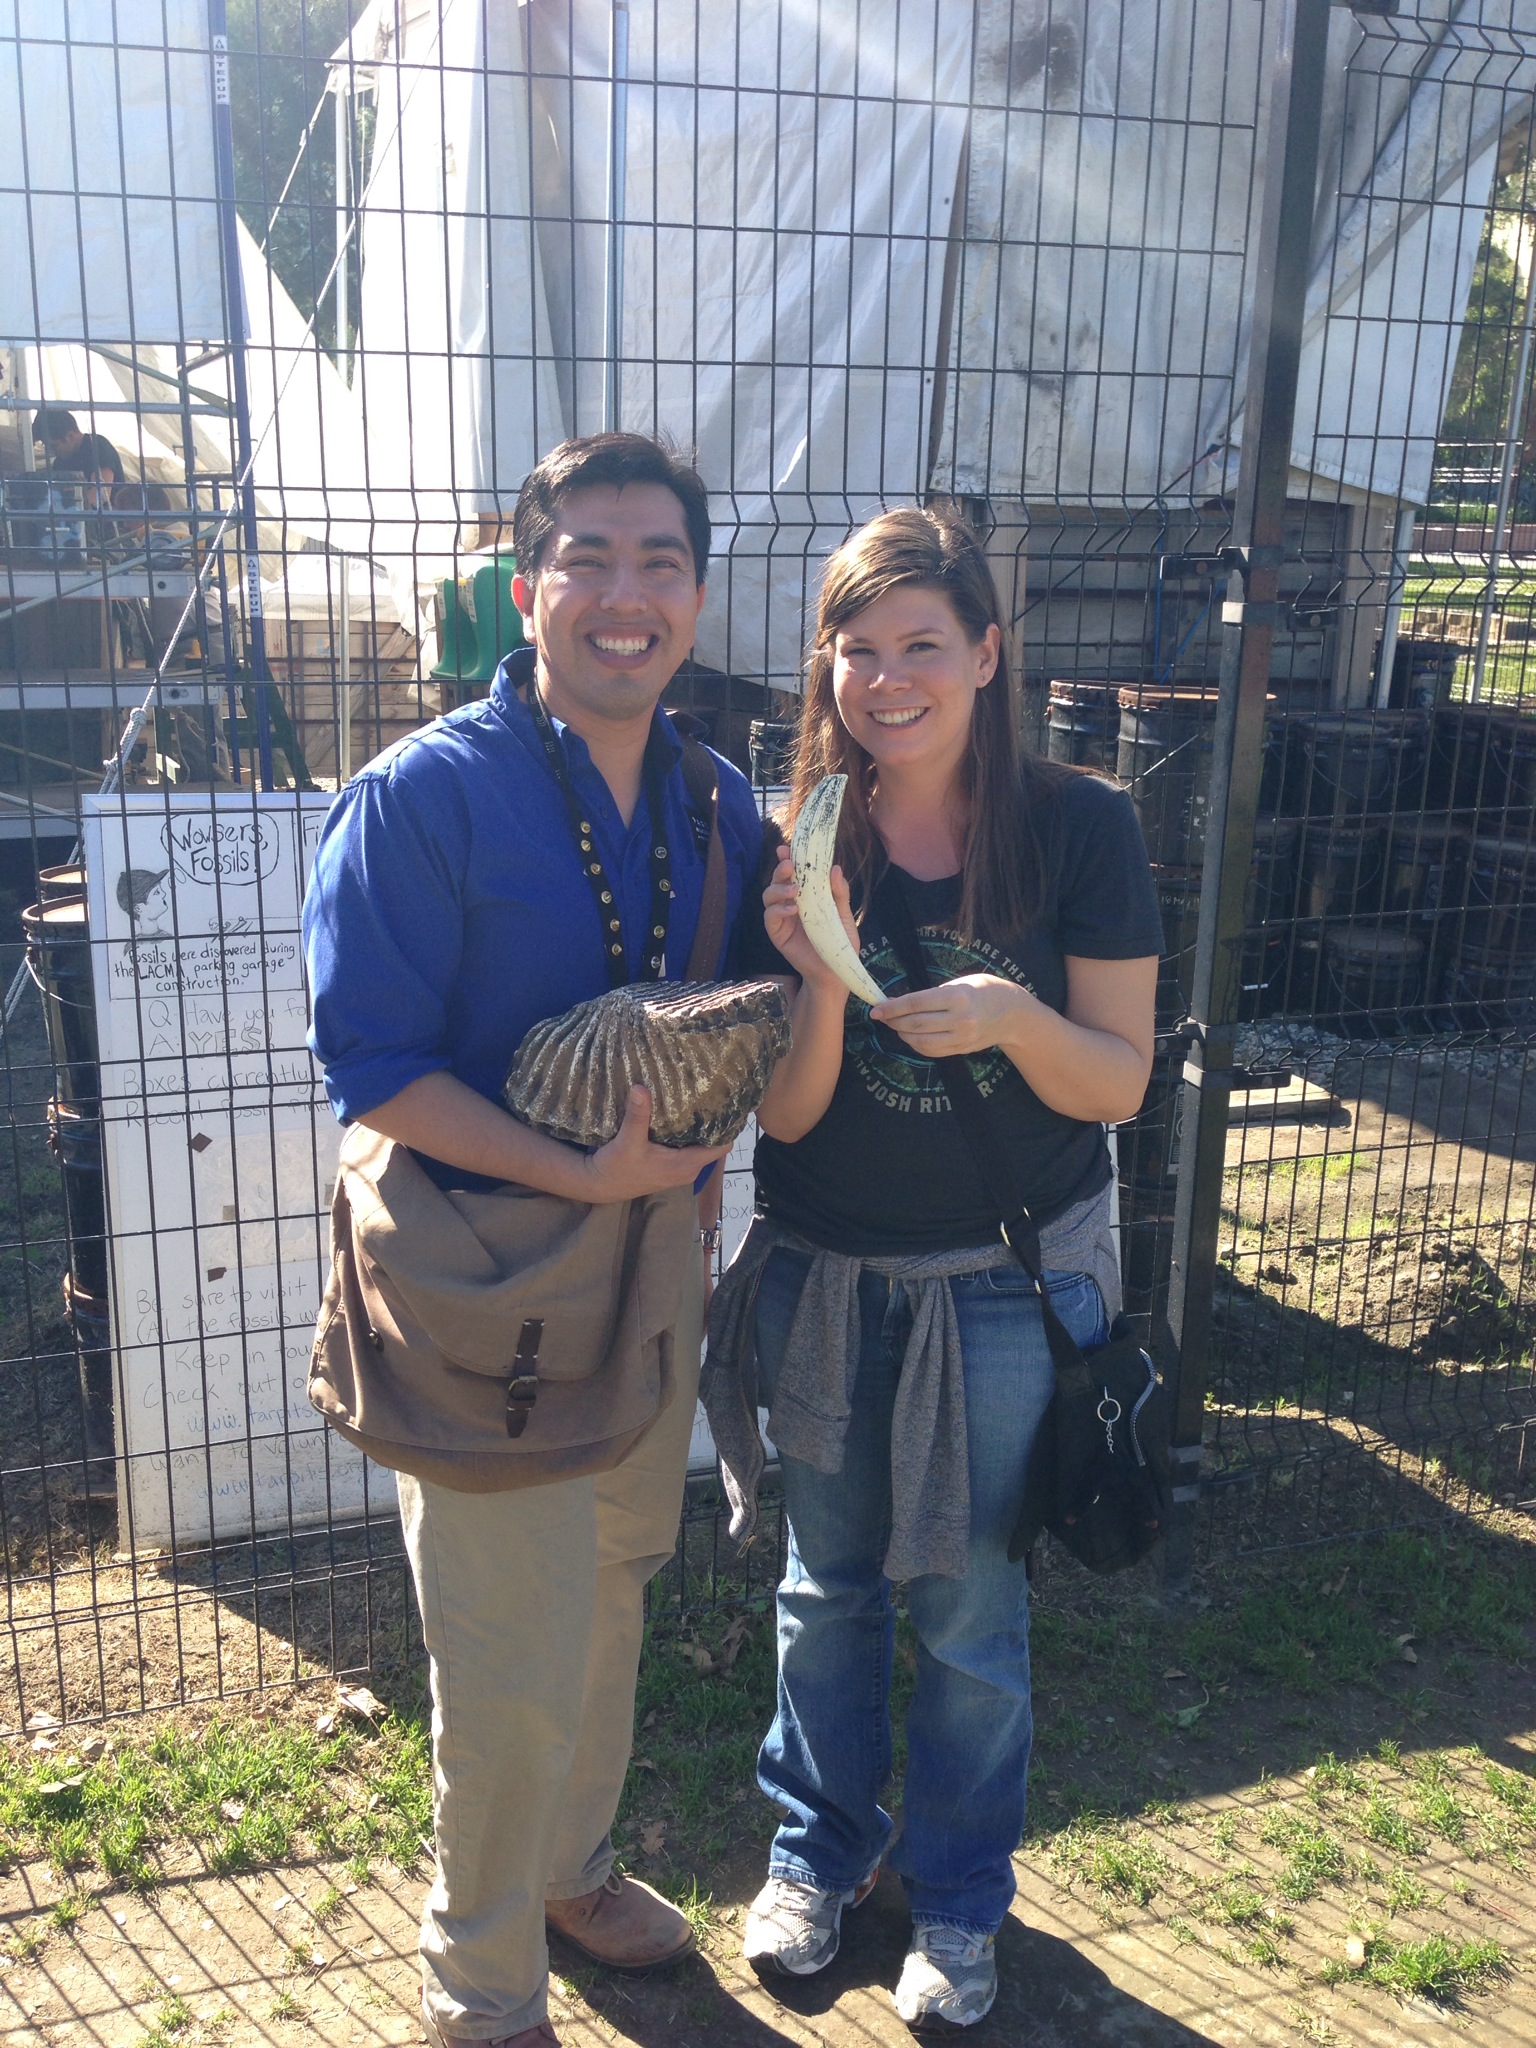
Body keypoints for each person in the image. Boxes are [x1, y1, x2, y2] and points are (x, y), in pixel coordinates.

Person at [302, 433, 766, 2048]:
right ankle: (477, 1983)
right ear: (526, 585)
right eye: (588, 556)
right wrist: (578, 1176)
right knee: (500, 1642)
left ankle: (570, 1868)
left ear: (697, 598)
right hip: (478, 1274)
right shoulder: (422, 794)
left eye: (659, 561)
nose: (624, 595)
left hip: (652, 1264)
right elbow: (376, 1063)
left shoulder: (720, 799)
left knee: (621, 1573)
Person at [707, 507, 1162, 2028]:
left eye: (921, 644)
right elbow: (790, 1111)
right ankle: (816, 1856)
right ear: (825, 665)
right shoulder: (801, 838)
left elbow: (1117, 1083)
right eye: (858, 648)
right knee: (825, 1586)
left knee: (970, 1613)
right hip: (826, 1270)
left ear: (985, 651)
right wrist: (822, 964)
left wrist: (1010, 1019)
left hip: (1003, 1276)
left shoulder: (1082, 828)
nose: (887, 676)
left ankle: (960, 1903)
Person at [32, 407, 125, 498]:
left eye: (54, 446)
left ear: (71, 436)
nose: (50, 452)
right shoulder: (59, 463)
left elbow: (101, 493)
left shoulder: (97, 446)